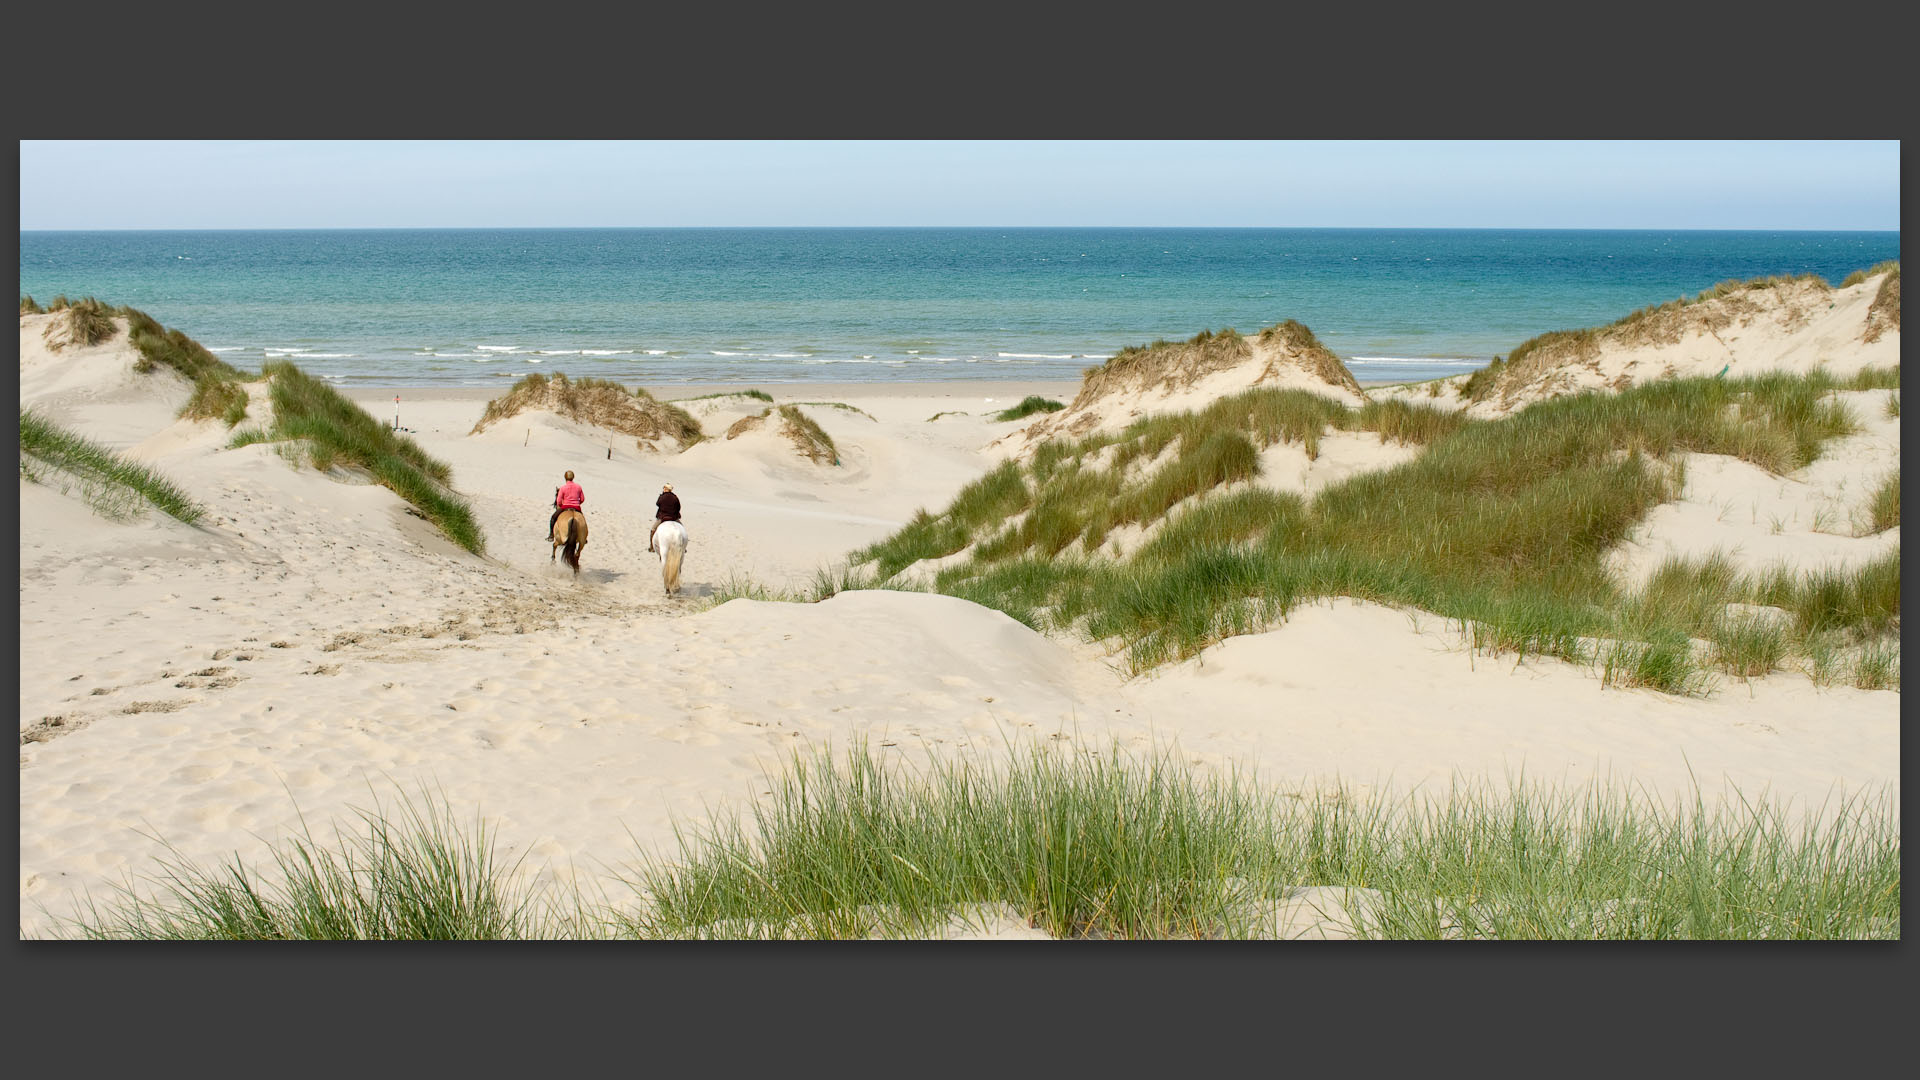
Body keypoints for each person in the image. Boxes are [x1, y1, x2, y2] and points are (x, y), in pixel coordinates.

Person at [548, 470, 585, 539]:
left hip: (565, 507)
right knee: (583, 521)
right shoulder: (578, 487)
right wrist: (576, 503)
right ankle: (584, 537)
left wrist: (561, 505)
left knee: (553, 518)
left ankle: (551, 535)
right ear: (573, 477)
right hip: (576, 507)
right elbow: (582, 499)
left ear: (565, 478)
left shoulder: (563, 488)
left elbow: (558, 501)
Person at [648, 483, 681, 553]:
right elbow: (678, 507)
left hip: (663, 517)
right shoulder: (675, 497)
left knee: (653, 530)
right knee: (682, 529)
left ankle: (652, 547)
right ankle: (682, 547)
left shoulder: (662, 496)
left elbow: (657, 503)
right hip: (673, 517)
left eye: (664, 488)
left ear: (666, 489)